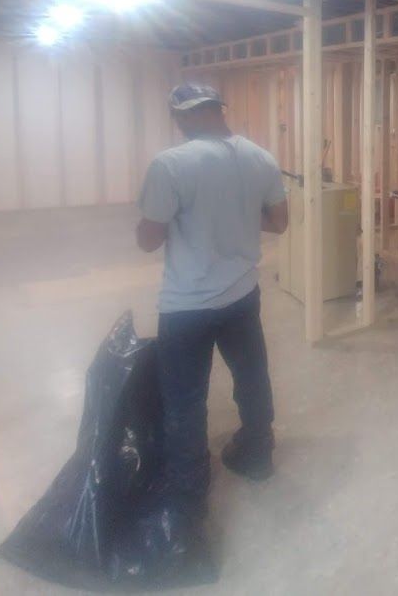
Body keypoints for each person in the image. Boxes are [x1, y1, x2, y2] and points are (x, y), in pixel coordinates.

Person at [136, 83, 288, 520]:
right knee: (251, 375)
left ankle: (188, 499)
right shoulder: (261, 157)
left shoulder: (170, 164)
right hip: (242, 294)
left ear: (183, 116)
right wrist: (236, 216)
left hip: (186, 305)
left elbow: (148, 240)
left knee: (184, 399)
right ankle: (257, 454)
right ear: (219, 110)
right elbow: (279, 222)